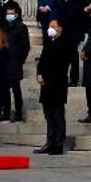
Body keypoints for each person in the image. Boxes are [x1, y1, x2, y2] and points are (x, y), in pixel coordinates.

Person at [35, 19, 70, 155]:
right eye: (49, 26)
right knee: (49, 115)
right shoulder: (48, 42)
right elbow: (42, 60)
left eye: (53, 27)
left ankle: (58, 143)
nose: (50, 29)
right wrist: (39, 74)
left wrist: (48, 77)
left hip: (57, 84)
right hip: (46, 85)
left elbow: (62, 65)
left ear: (60, 29)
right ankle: (49, 142)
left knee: (58, 115)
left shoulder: (64, 43)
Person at [0, 0, 29, 123]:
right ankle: (5, 113)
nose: (9, 15)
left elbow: (25, 47)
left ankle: (18, 114)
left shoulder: (21, 27)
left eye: (11, 13)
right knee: (4, 90)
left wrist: (19, 60)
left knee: (16, 90)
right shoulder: (4, 28)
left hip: (15, 62)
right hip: (4, 62)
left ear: (16, 15)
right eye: (7, 13)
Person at [61, 0, 91, 86]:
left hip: (74, 30)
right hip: (65, 30)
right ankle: (65, 77)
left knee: (73, 55)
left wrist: (63, 20)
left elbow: (75, 13)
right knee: (66, 55)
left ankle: (74, 79)